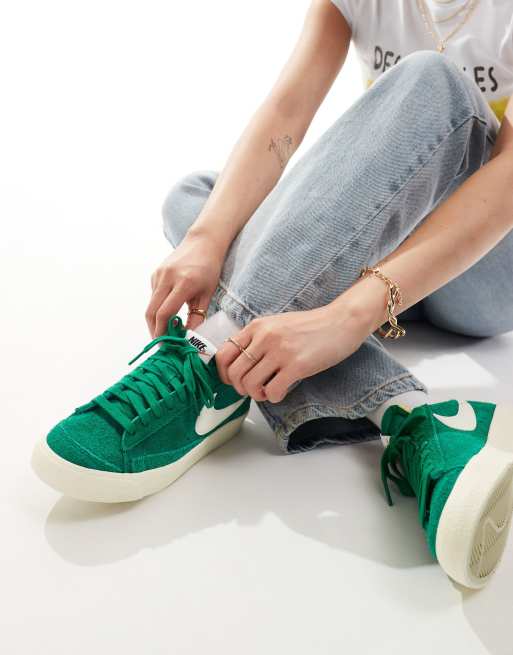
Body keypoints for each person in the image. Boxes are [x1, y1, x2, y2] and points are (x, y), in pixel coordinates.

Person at [32, 0, 513, 589]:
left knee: (434, 80)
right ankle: (414, 416)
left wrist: (346, 317)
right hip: (393, 241)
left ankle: (212, 356)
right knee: (197, 202)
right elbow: (288, 110)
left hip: (486, 267)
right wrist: (205, 239)